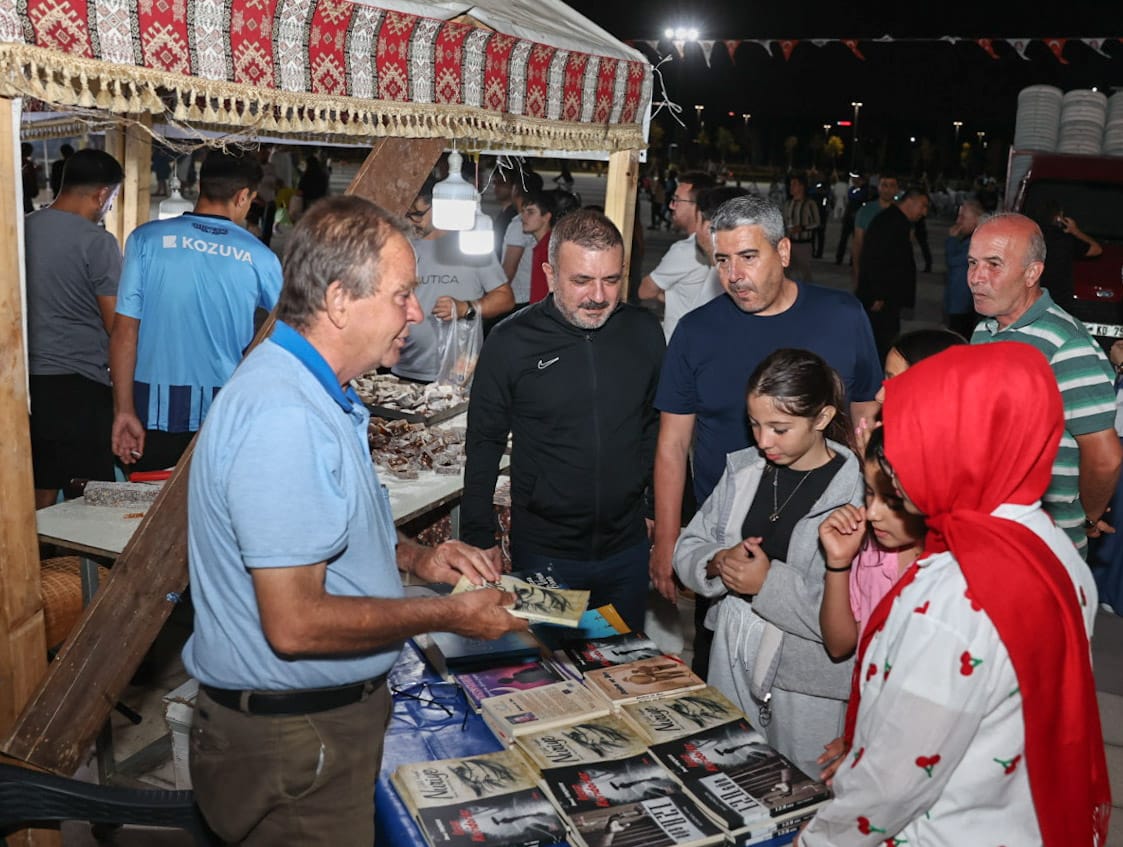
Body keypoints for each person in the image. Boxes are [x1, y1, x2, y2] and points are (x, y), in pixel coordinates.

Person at [183, 195, 526, 845]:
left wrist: (411, 557)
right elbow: (295, 622)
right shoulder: (284, 416)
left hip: (310, 728)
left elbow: (320, 522)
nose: (416, 313)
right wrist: (448, 612)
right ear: (340, 301)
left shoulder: (313, 388)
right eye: (401, 295)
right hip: (293, 741)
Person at [796, 342, 1107, 847]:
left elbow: (892, 784)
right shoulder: (1046, 543)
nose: (895, 459)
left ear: (966, 446)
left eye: (917, 438)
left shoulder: (955, 598)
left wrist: (815, 841)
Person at [651, 195, 882, 676]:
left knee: (816, 669)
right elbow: (672, 446)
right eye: (723, 259)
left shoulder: (843, 316)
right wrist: (667, 543)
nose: (735, 275)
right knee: (718, 670)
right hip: (726, 544)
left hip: (823, 546)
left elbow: (868, 426)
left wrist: (877, 522)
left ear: (783, 251)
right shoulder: (695, 332)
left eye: (748, 256)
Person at [461, 210, 665, 633]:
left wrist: (652, 507)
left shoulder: (644, 332)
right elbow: (483, 442)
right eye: (581, 281)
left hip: (625, 553)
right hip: (546, 556)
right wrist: (480, 538)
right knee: (548, 673)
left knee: (619, 665)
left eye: (611, 280)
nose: (598, 296)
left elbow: (654, 425)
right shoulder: (511, 342)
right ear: (551, 274)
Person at [672, 348, 864, 777]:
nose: (763, 441)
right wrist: (716, 562)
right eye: (755, 425)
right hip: (730, 656)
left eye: (780, 428)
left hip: (807, 684)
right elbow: (689, 546)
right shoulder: (746, 471)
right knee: (730, 775)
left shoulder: (857, 497)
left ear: (821, 417)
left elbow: (851, 621)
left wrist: (766, 583)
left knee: (799, 791)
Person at [110, 149, 282, 471]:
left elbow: (124, 332)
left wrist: (123, 410)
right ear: (243, 196)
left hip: (149, 409)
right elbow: (289, 332)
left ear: (201, 185)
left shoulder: (145, 240)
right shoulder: (261, 258)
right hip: (224, 414)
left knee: (143, 514)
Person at [969, 212, 1121, 557]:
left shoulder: (1065, 344)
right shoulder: (985, 329)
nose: (977, 277)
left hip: (1041, 547)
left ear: (1032, 273)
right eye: (972, 262)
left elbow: (1105, 458)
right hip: (986, 530)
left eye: (994, 264)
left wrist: (1086, 518)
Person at [25, 149, 124, 509]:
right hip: (80, 385)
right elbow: (117, 324)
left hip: (27, 387)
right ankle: (84, 567)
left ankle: (38, 566)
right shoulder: (98, 242)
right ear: (102, 194)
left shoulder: (22, 228)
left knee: (40, 489)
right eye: (111, 199)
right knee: (91, 498)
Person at [392, 180, 514, 382]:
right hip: (403, 370)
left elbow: (505, 298)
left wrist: (465, 308)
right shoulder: (401, 247)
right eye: (407, 214)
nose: (411, 220)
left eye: (417, 214)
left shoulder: (472, 243)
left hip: (458, 374)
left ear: (439, 207)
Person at [637, 171, 717, 341]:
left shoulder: (685, 250)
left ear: (697, 205)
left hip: (680, 346)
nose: (672, 206)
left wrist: (663, 294)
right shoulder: (720, 245)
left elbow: (644, 290)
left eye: (677, 200)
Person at [854, 187, 930, 360]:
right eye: (922, 206)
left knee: (885, 341)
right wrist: (877, 295)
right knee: (880, 344)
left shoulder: (897, 221)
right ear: (910, 201)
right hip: (881, 300)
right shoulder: (890, 222)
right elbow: (873, 259)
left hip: (888, 297)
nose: (924, 212)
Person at [1033, 200, 1103, 306]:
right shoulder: (1064, 240)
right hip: (1059, 301)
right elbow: (1096, 249)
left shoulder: (1029, 238)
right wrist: (1075, 231)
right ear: (1058, 218)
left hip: (1032, 299)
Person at [500, 171, 545, 305]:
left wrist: (494, 296)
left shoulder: (520, 223)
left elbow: (508, 269)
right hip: (531, 296)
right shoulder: (536, 221)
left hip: (518, 298)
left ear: (515, 189)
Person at [943, 198, 984, 339]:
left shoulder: (977, 241)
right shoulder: (969, 239)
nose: (958, 221)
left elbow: (953, 261)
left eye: (963, 217)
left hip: (963, 304)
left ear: (977, 220)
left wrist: (951, 240)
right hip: (960, 302)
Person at [850, 173, 898, 285]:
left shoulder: (901, 212)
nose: (888, 189)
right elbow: (857, 243)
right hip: (869, 268)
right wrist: (856, 270)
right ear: (878, 187)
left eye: (891, 186)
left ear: (897, 189)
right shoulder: (866, 211)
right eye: (884, 185)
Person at [783, 173, 820, 282]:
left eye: (794, 184)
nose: (791, 187)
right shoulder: (787, 204)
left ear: (802, 187)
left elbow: (817, 222)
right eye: (791, 185)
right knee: (785, 274)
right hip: (789, 244)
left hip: (803, 244)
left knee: (805, 274)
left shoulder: (810, 204)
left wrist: (802, 228)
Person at [834, 173, 867, 265]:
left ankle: (853, 260)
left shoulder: (865, 190)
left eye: (855, 178)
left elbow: (859, 197)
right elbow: (850, 195)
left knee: (856, 240)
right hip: (848, 217)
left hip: (857, 218)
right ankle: (839, 258)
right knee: (843, 239)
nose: (853, 180)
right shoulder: (853, 189)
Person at [21, 142, 41, 213]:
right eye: (30, 150)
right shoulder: (27, 163)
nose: (31, 152)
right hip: (25, 191)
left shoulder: (25, 162)